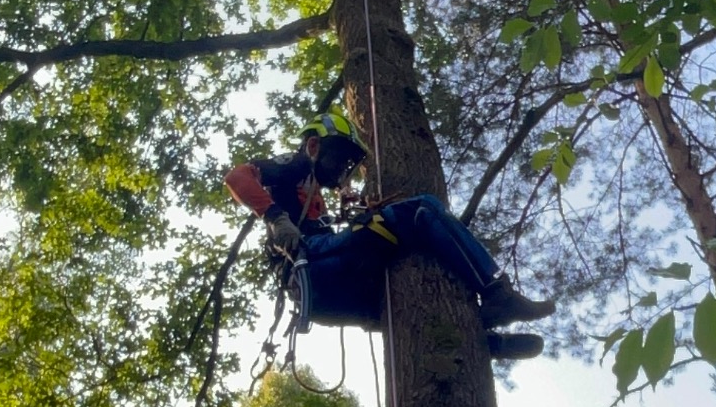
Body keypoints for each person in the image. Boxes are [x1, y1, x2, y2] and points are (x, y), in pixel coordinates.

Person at [224, 109, 554, 360]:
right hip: (310, 268)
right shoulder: (295, 165)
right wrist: (276, 218)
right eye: (338, 157)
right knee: (421, 210)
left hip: (326, 295)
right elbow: (237, 176)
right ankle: (497, 292)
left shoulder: (316, 196)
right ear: (313, 145)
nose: (341, 170)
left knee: (400, 307)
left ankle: (482, 343)